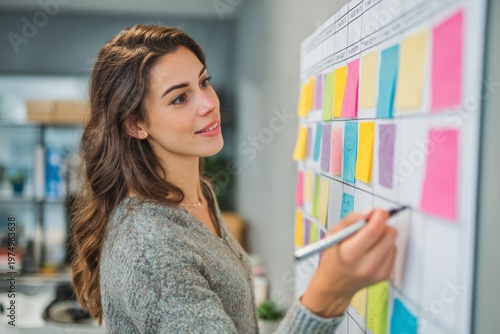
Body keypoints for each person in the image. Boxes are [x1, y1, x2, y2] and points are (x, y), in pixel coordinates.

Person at [70, 24, 397, 333]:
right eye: (180, 98)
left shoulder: (197, 196)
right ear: (135, 124)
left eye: (203, 81)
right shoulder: (151, 245)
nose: (210, 103)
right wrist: (330, 290)